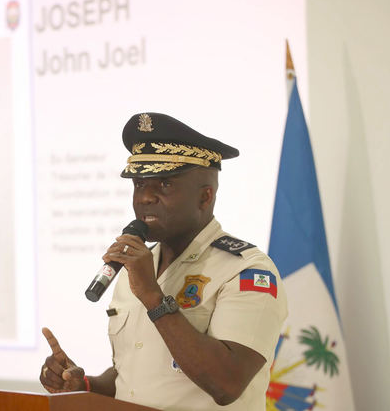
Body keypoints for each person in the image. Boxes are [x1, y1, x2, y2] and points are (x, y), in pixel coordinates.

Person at [40, 113, 288, 410]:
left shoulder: (246, 271)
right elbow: (135, 378)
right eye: (139, 185)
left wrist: (152, 296)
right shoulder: (137, 266)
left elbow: (227, 384)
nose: (145, 198)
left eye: (165, 185)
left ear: (205, 197)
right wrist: (85, 386)